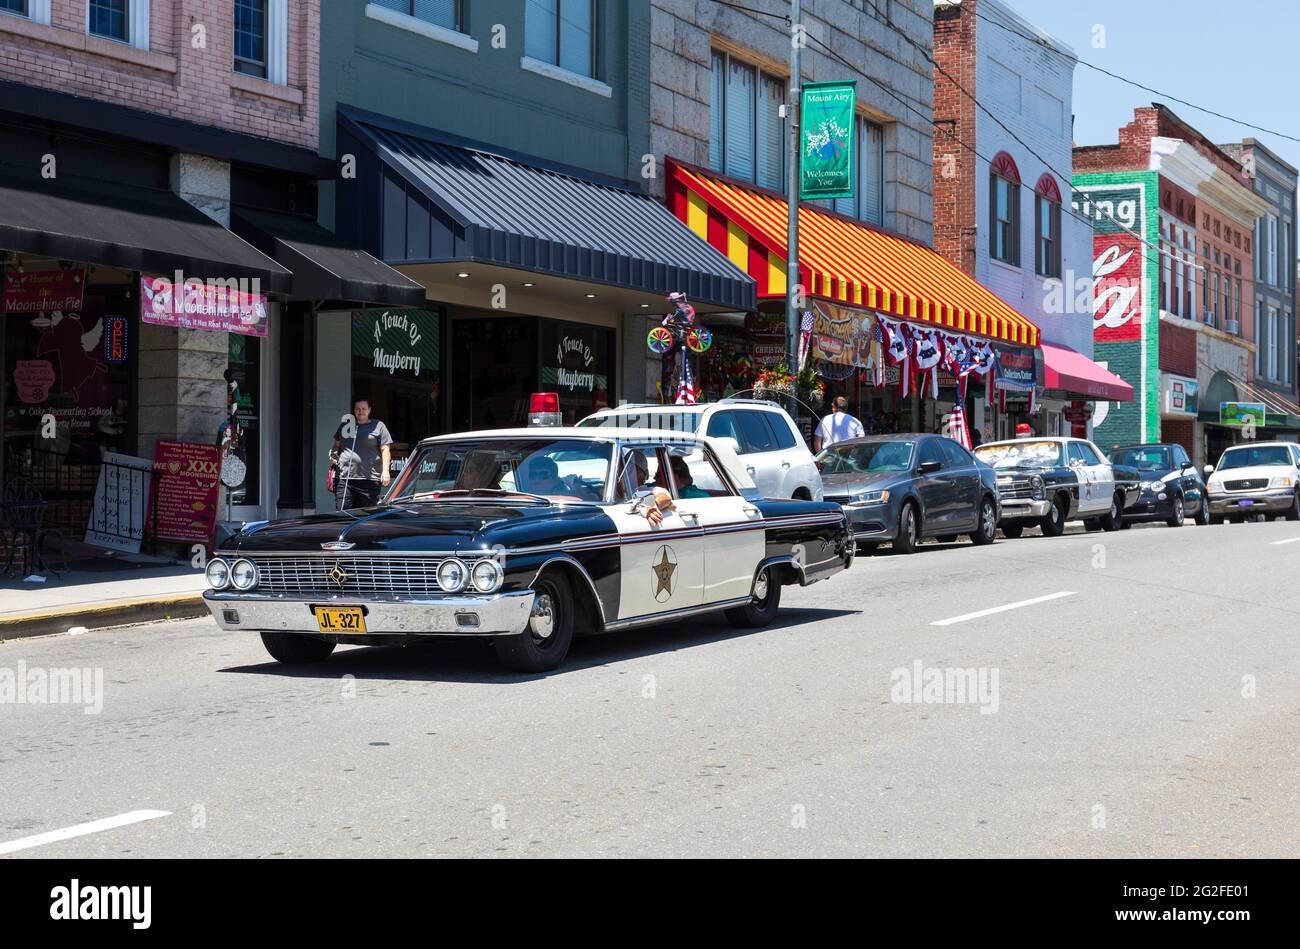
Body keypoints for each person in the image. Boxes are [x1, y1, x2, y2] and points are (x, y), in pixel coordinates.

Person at [330, 399, 393, 510]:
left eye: (363, 408)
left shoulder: (378, 426)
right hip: (345, 478)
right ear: (354, 410)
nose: (361, 411)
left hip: (369, 479)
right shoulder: (346, 425)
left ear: (369, 410)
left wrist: (385, 471)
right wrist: (333, 455)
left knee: (365, 515)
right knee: (342, 513)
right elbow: (336, 445)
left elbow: (385, 450)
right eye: (358, 409)